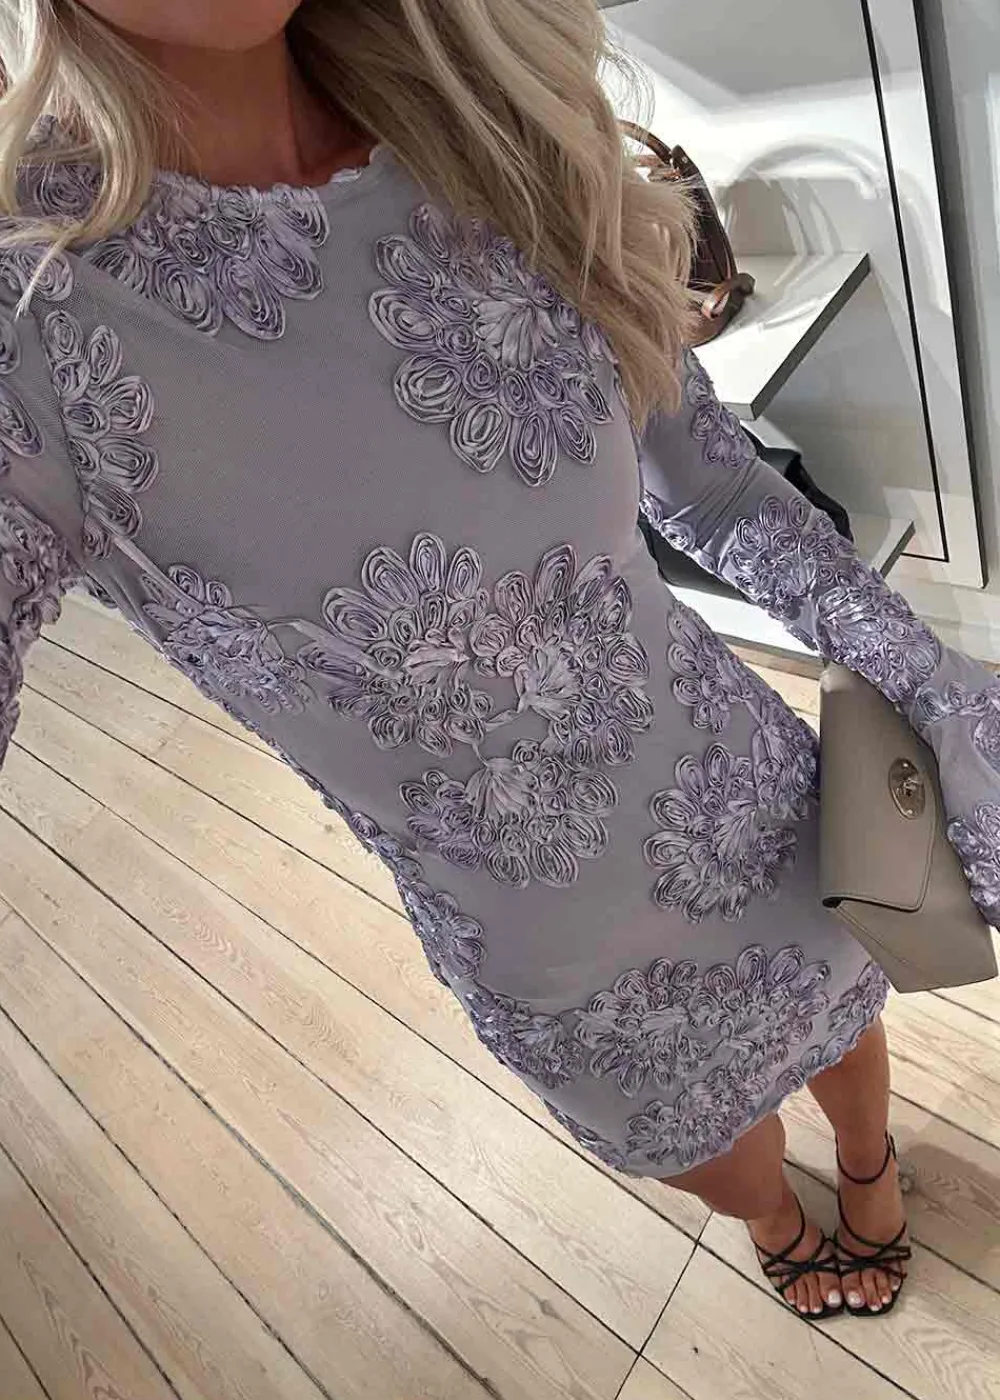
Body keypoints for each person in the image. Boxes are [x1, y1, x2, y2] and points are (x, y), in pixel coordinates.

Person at [1, 0, 997, 1324]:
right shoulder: (32, 317)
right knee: (712, 1149)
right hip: (558, 951)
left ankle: (869, 1159)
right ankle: (775, 1215)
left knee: (845, 1018)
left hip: (751, 802)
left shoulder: (495, 135)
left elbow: (713, 488)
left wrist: (928, 682)